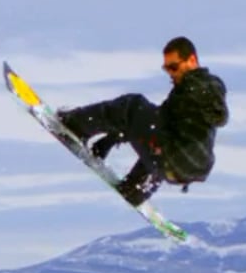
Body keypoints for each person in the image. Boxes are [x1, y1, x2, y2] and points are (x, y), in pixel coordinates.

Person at [56, 36, 229, 206]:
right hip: (191, 168)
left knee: (132, 105)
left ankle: (74, 125)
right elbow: (153, 125)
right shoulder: (190, 93)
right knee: (158, 134)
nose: (170, 74)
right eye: (166, 68)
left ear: (192, 60)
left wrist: (208, 98)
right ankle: (135, 190)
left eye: (174, 67)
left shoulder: (201, 85)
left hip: (177, 158)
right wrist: (110, 139)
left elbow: (210, 97)